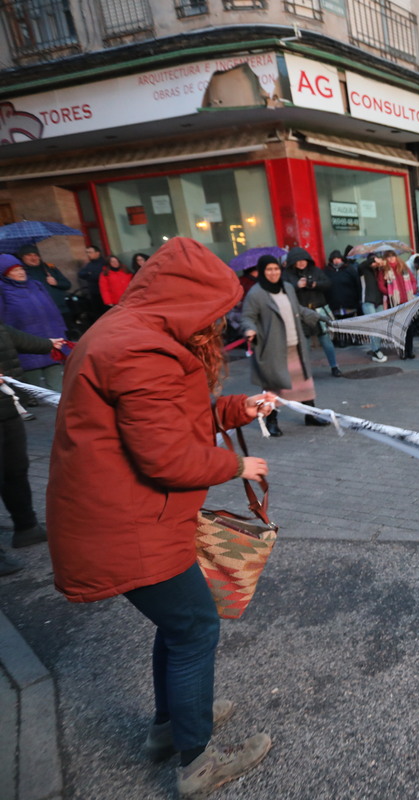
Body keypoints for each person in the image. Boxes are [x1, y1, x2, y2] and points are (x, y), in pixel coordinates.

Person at [45, 237, 273, 796]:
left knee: (178, 627)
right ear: (186, 297)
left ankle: (168, 731)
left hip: (125, 517)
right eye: (215, 309)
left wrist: (234, 409)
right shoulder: (141, 350)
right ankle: (197, 763)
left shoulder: (128, 331)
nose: (218, 322)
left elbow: (171, 421)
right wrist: (236, 464)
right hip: (130, 524)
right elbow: (167, 456)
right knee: (195, 627)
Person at [0, 315, 63, 571]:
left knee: (15, 469)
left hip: (6, 410)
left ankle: (27, 526)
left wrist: (52, 344)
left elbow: (18, 339)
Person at [242, 255, 329, 436]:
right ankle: (271, 421)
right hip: (273, 349)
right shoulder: (256, 293)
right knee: (274, 387)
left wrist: (317, 316)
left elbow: (296, 309)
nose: (273, 273)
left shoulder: (287, 287)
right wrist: (249, 330)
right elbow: (247, 317)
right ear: (262, 271)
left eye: (276, 269)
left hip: (295, 345)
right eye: (269, 270)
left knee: (305, 384)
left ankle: (310, 416)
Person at [0, 256, 69, 393]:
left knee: (60, 389)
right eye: (14, 271)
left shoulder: (36, 285)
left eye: (21, 269)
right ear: (5, 274)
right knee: (36, 393)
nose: (21, 272)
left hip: (51, 342)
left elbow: (53, 311)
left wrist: (62, 331)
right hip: (27, 349)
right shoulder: (2, 290)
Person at [282, 246, 341, 377]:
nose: (302, 263)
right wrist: (296, 286)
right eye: (298, 260)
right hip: (300, 311)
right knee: (305, 344)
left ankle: (334, 366)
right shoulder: (287, 274)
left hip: (318, 307)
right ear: (293, 262)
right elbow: (283, 291)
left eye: (304, 260)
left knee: (326, 340)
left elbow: (328, 284)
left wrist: (315, 284)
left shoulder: (315, 270)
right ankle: (305, 372)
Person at [378, 250, 418, 360]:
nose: (391, 259)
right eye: (388, 257)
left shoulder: (403, 267)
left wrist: (413, 290)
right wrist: (390, 293)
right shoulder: (384, 270)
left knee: (409, 327)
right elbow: (381, 285)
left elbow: (413, 280)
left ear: (396, 257)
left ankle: (410, 350)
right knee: (400, 328)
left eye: (392, 256)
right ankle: (402, 351)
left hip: (407, 300)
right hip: (395, 302)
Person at [14, 245, 71, 318]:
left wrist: (56, 283)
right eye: (29, 255)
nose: (33, 258)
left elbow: (67, 285)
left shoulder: (49, 267)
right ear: (22, 257)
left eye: (36, 255)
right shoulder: (21, 272)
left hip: (61, 309)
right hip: (41, 313)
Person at [324, 250, 360, 346]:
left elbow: (357, 284)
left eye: (338, 258)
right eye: (334, 259)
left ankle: (353, 338)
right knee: (338, 321)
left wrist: (357, 298)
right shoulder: (327, 271)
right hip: (335, 301)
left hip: (349, 300)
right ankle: (342, 340)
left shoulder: (349, 269)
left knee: (350, 321)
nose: (336, 261)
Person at [78, 244, 106, 315]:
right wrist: (89, 273)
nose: (88, 254)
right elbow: (81, 274)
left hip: (104, 292)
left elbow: (97, 276)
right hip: (94, 293)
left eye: (90, 252)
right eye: (87, 252)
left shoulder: (104, 263)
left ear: (97, 253)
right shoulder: (89, 264)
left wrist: (90, 274)